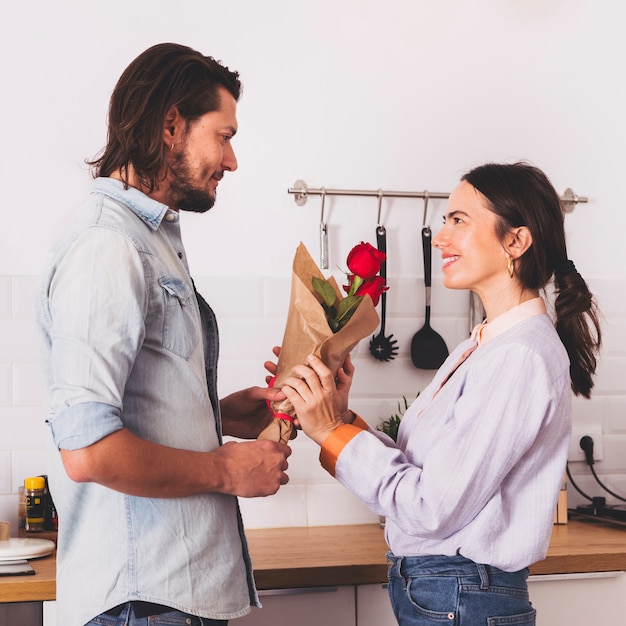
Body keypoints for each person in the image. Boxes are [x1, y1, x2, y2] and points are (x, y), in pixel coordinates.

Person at [278, 162, 601, 626]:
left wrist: (330, 430)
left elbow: (432, 508)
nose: (440, 237)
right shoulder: (484, 344)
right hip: (449, 592)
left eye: (458, 221)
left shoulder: (519, 356)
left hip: (462, 593)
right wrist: (339, 418)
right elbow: (423, 472)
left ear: (515, 241)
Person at [36, 43, 292, 626]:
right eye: (223, 136)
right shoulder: (108, 247)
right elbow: (89, 451)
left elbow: (135, 409)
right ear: (171, 125)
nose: (232, 161)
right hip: (143, 602)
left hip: (163, 599)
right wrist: (228, 468)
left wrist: (221, 416)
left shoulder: (145, 241)